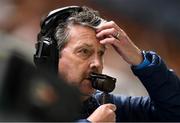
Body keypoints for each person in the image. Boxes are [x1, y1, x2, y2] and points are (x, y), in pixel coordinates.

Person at [34, 6, 180, 122]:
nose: (97, 63)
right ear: (50, 56)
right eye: (84, 51)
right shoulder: (25, 100)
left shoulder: (106, 105)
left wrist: (139, 58)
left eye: (101, 53)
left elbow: (175, 110)